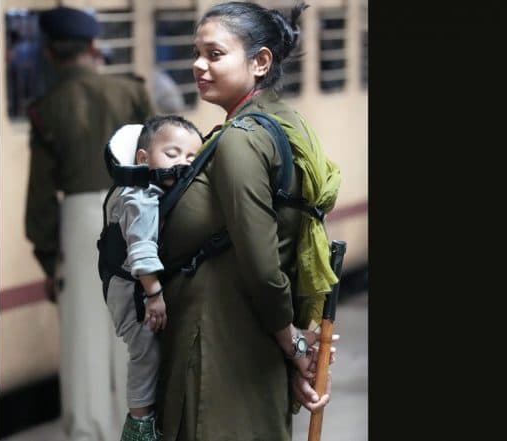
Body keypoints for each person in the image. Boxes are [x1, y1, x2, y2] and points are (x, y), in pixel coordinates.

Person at [154, 2, 342, 440]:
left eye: (215, 54)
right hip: (246, 344)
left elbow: (263, 264)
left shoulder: (241, 140)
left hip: (221, 350)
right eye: (196, 52)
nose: (198, 65)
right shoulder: (287, 122)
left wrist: (294, 346)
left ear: (260, 62)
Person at [23, 6, 154, 441]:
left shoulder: (47, 109)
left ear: (49, 54)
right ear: (94, 47)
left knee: (84, 340)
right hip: (135, 210)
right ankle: (139, 426)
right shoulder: (131, 92)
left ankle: (88, 432)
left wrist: (49, 262)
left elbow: (41, 200)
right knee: (135, 329)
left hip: (80, 222)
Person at [102, 116, 202, 441]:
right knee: (146, 350)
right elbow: (142, 250)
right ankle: (140, 424)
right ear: (143, 159)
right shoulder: (140, 197)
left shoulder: (141, 188)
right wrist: (154, 294)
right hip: (132, 289)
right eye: (172, 154)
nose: (182, 164)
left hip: (129, 284)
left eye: (191, 158)